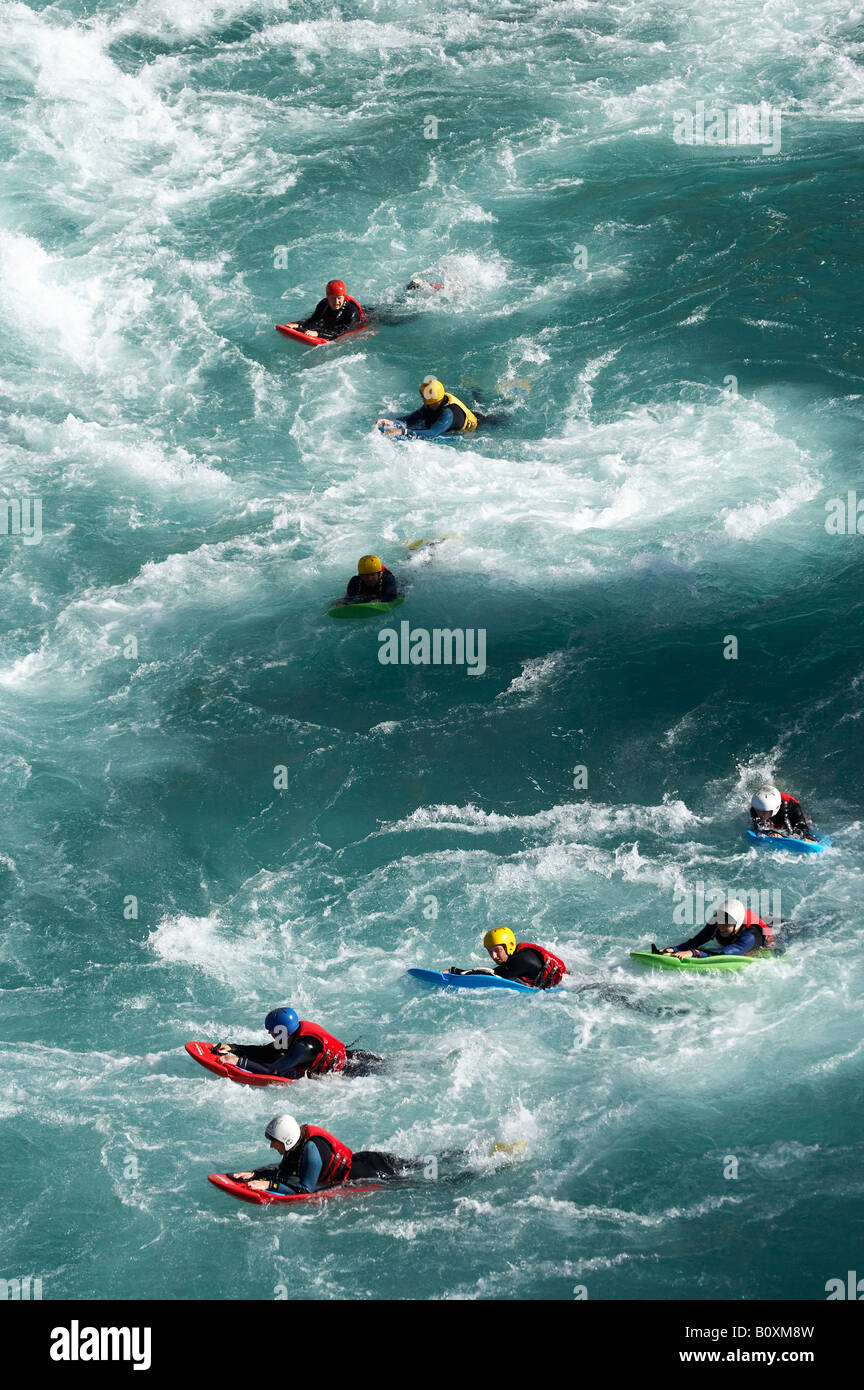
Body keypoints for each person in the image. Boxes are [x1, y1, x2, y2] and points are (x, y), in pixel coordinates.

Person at [229, 1115, 425, 1195]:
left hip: (374, 1171)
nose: (271, 1146)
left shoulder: (310, 1151)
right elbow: (282, 1172)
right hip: (366, 1159)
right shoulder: (296, 1144)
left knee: (427, 1177)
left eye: (274, 1142)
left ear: (287, 1140)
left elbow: (305, 1191)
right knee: (421, 1164)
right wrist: (255, 1174)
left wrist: (269, 1185)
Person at [214, 1008, 385, 1079]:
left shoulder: (303, 1047)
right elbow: (269, 1051)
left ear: (282, 1030)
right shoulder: (292, 1033)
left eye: (272, 1030)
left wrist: (237, 1061)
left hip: (357, 1068)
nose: (269, 1033)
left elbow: (275, 1071)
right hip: (354, 1056)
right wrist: (235, 1048)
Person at [655, 897, 775, 960]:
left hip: (776, 931)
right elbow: (697, 941)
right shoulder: (719, 920)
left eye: (726, 924)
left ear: (737, 925)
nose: (720, 926)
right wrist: (674, 949)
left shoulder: (750, 936)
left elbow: (726, 952)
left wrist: (694, 953)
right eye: (719, 921)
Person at [377, 376, 495, 439]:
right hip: (470, 414)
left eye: (423, 395)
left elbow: (432, 433)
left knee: (501, 416)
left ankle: (506, 398)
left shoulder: (449, 413)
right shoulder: (432, 404)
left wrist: (402, 432)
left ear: (430, 398)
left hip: (480, 425)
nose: (421, 397)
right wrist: (392, 422)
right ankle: (477, 392)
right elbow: (411, 419)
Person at [449, 927, 567, 989]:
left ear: (509, 946)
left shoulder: (522, 960)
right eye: (490, 951)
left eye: (497, 950)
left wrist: (454, 972)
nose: (493, 956)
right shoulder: (518, 954)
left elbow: (493, 975)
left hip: (569, 984)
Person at [282, 279, 367, 341]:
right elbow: (314, 320)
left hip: (366, 319)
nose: (336, 302)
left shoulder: (351, 312)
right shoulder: (324, 304)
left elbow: (340, 333)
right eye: (333, 298)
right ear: (327, 297)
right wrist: (299, 325)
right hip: (335, 321)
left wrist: (318, 334)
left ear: (344, 298)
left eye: (339, 298)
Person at [750, 786, 815, 840]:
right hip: (774, 813)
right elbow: (759, 827)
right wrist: (770, 832)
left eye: (764, 812)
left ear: (776, 808)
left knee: (804, 831)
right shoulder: (756, 806)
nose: (761, 815)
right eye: (758, 811)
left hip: (792, 813)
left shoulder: (786, 806)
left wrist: (807, 837)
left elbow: (800, 825)